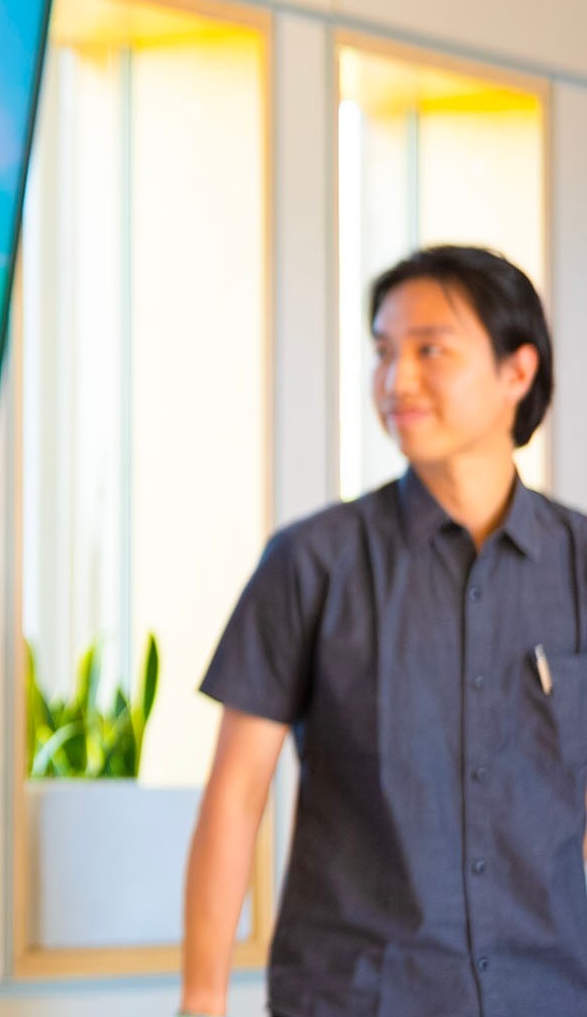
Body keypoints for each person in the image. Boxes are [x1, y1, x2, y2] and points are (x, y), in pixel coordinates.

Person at [178, 245, 587, 1017]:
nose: (396, 380)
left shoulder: (580, 566)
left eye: (430, 350)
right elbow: (236, 796)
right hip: (356, 996)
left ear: (517, 372)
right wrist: (202, 1001)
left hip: (549, 994)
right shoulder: (311, 562)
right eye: (383, 352)